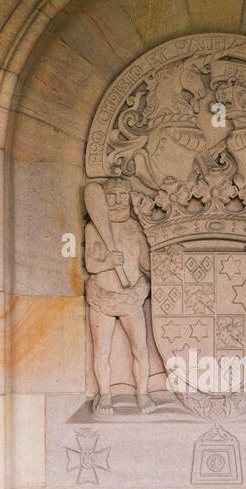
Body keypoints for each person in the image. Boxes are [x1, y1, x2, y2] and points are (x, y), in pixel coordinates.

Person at [84, 177, 157, 415]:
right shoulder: (93, 227)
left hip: (130, 297)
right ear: (104, 199)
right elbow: (90, 265)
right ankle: (105, 395)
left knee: (141, 349)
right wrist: (107, 262)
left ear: (128, 198)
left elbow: (147, 263)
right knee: (102, 351)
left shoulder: (135, 228)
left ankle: (143, 393)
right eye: (112, 196)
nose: (117, 201)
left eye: (122, 196)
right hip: (102, 298)